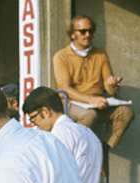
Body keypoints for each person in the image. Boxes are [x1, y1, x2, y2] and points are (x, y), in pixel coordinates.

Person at [53, 14, 134, 148]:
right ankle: (75, 148)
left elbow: (110, 90)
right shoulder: (61, 56)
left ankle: (105, 148)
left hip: (97, 102)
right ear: (73, 34)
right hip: (71, 102)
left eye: (91, 31)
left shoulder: (100, 54)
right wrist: (90, 100)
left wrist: (112, 85)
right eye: (83, 31)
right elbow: (65, 88)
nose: (88, 34)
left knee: (126, 112)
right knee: (89, 115)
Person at [23, 86, 104, 183]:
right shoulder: (89, 134)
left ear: (45, 112)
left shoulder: (59, 135)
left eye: (33, 118)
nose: (36, 125)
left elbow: (53, 179)